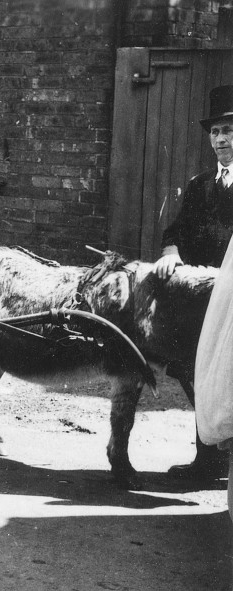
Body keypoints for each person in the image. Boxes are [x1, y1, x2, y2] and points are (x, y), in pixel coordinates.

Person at [153, 84, 233, 481]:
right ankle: (210, 460)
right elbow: (176, 231)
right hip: (201, 304)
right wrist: (171, 252)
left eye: (230, 131)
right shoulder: (202, 184)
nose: (222, 139)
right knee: (196, 372)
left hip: (232, 304)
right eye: (216, 132)